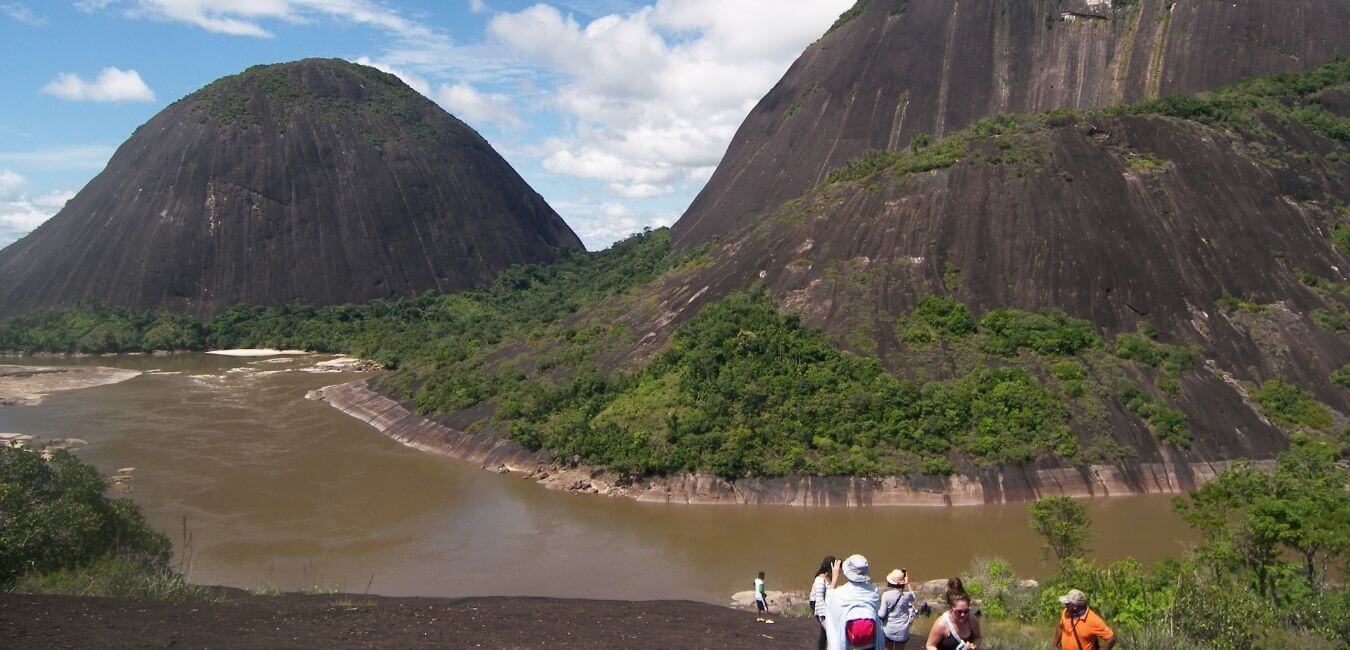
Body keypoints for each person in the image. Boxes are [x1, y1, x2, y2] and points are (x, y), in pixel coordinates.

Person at [823, 554, 885, 650]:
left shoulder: (839, 593)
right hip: (871, 643)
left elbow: (828, 600)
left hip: (848, 644)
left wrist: (835, 577)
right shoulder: (874, 592)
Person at [879, 569, 918, 648]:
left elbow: (881, 614)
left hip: (888, 629)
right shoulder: (907, 595)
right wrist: (908, 583)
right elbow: (914, 597)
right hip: (902, 631)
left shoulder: (886, 595)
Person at [811, 556, 837, 650]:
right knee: (826, 631)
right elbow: (819, 599)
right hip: (818, 604)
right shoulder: (820, 579)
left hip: (824, 603)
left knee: (825, 632)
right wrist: (822, 615)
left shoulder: (827, 577)